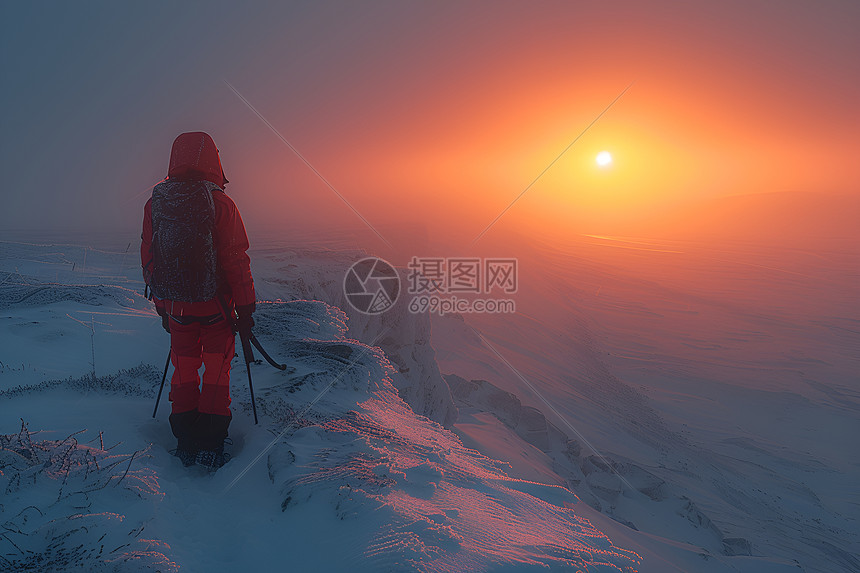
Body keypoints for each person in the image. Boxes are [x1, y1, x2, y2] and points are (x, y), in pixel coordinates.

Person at [141, 131, 256, 469]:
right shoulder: (221, 203)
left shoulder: (155, 203)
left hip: (177, 310)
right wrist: (246, 308)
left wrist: (162, 305)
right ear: (214, 161)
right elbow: (236, 258)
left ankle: (184, 439)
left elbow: (150, 258)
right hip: (216, 310)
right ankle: (210, 441)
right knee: (217, 373)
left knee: (184, 371)